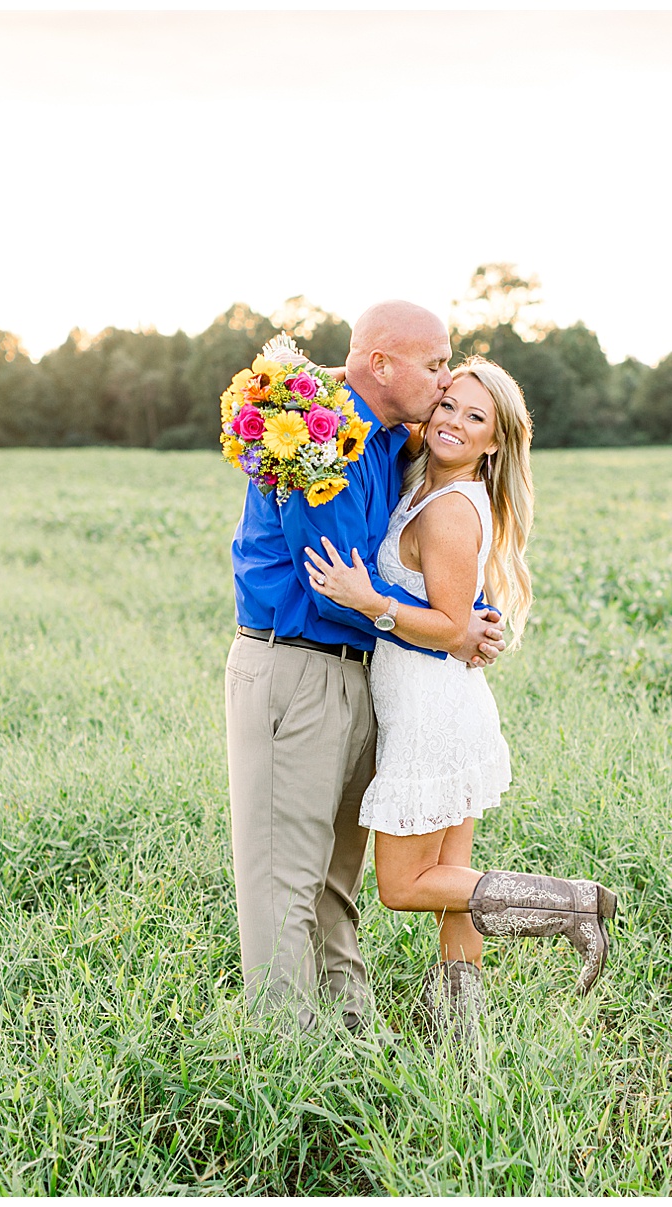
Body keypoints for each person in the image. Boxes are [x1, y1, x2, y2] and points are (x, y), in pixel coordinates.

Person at [304, 357, 618, 1046]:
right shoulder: (429, 481)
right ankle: (463, 1041)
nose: (451, 421)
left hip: (428, 712)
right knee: (454, 888)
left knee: (404, 884)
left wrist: (372, 602)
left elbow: (449, 629)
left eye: (475, 417)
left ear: (495, 442)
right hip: (445, 703)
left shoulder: (449, 509)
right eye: (448, 404)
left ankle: (570, 904)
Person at [225, 300, 506, 1036]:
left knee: (333, 884)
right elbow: (342, 587)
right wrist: (451, 636)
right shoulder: (314, 437)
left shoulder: (387, 438)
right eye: (437, 362)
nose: (446, 380)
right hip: (296, 666)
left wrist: (470, 613)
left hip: (364, 676)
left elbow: (427, 551)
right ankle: (286, 1059)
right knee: (285, 881)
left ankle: (350, 1037)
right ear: (382, 364)